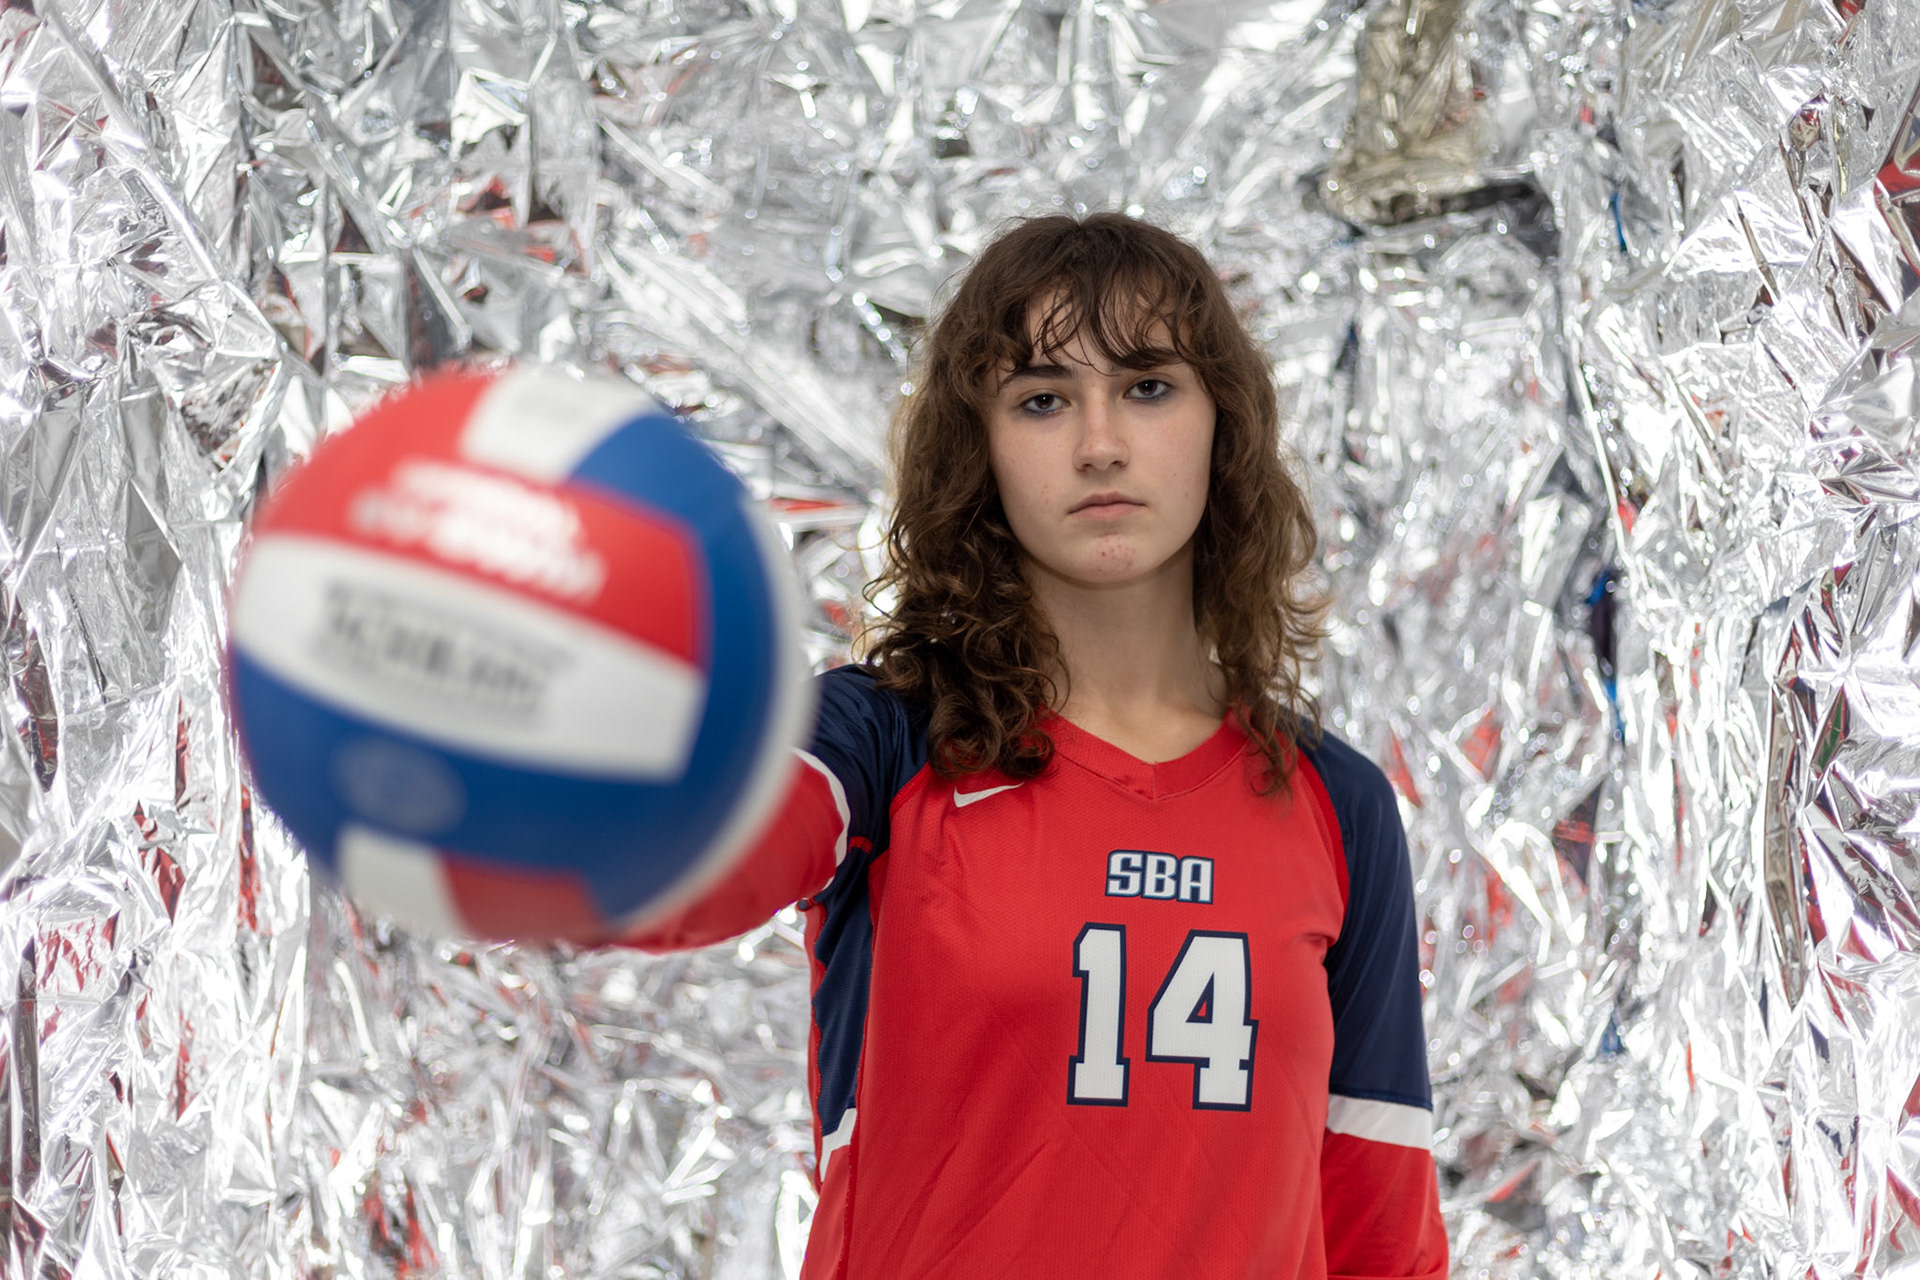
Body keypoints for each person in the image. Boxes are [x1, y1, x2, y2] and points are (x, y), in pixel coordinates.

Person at [626, 213, 1449, 1279]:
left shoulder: (1335, 803)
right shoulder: (886, 740)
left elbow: (1382, 1230)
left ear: (1224, 424)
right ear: (982, 447)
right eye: (1043, 399)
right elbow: (690, 862)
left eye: (1147, 386)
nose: (1100, 443)